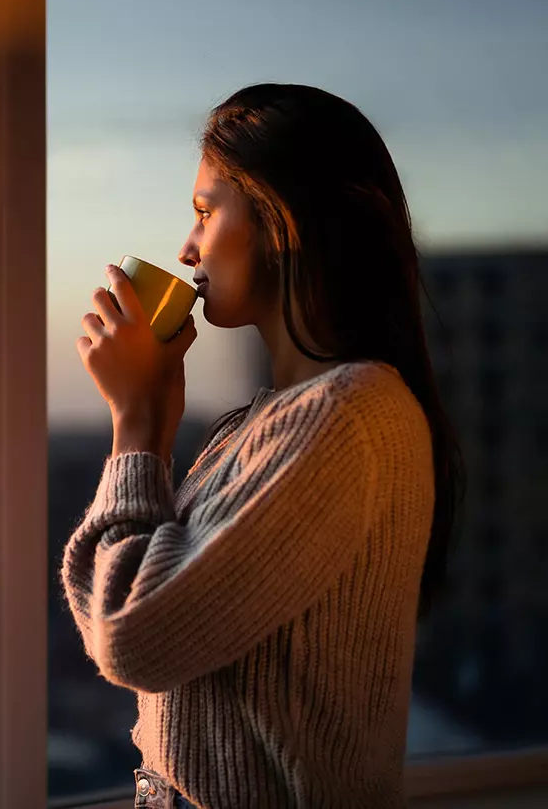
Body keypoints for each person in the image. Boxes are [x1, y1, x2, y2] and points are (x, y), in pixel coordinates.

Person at [61, 83, 465, 809]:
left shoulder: (347, 417)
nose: (186, 247)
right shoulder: (264, 425)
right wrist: (152, 417)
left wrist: (137, 425)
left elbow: (130, 635)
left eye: (204, 211)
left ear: (280, 220)